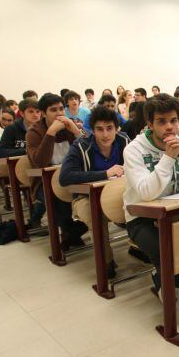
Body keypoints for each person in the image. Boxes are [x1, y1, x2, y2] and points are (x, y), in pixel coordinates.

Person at [122, 93, 179, 303]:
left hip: (174, 210)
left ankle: (162, 276)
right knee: (167, 250)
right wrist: (168, 158)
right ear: (150, 124)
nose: (169, 127)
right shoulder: (134, 150)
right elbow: (146, 193)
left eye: (173, 121)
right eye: (161, 122)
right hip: (140, 216)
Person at [59, 106, 131, 278]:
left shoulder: (125, 141)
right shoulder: (80, 146)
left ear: (116, 128)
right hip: (86, 198)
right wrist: (105, 174)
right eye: (99, 129)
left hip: (119, 194)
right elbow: (65, 177)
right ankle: (105, 262)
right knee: (95, 215)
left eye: (109, 128)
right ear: (92, 130)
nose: (105, 134)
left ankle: (140, 249)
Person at [26, 93, 88, 245]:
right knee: (57, 201)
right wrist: (51, 133)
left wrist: (75, 131)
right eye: (53, 110)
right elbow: (40, 162)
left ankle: (69, 234)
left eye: (61, 109)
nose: (59, 113)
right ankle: (68, 234)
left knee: (95, 201)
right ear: (43, 113)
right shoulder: (34, 132)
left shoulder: (69, 126)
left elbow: (88, 152)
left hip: (71, 177)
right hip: (44, 182)